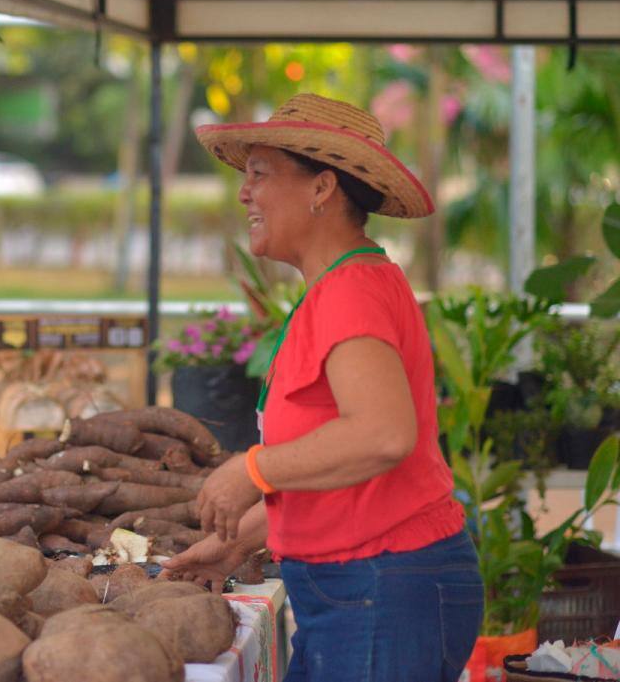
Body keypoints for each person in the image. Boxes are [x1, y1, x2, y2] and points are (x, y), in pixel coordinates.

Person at [162, 94, 483, 681]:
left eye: (259, 174)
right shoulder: (339, 285)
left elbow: (381, 436)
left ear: (321, 189)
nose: (244, 193)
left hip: (382, 587)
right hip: (370, 589)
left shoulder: (350, 291)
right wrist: (246, 538)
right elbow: (342, 471)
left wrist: (251, 470)